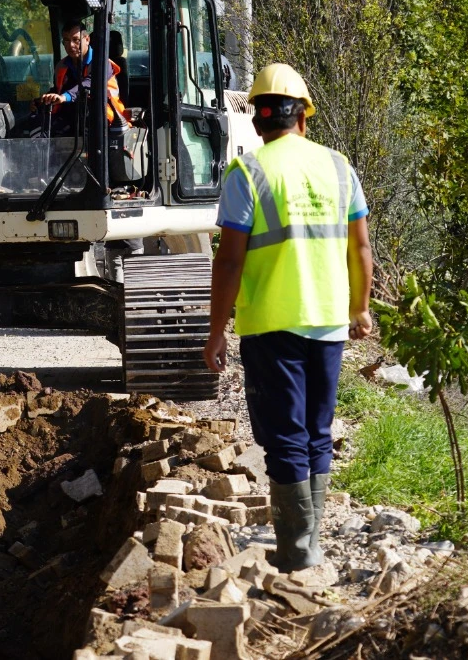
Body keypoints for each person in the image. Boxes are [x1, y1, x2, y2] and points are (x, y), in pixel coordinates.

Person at [201, 63, 375, 573]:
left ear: (258, 120)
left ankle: (298, 554)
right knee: (317, 432)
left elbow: (229, 261)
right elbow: (361, 248)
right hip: (328, 321)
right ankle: (308, 546)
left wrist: (216, 331)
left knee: (284, 438)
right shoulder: (339, 167)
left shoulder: (248, 172)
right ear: (304, 117)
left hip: (272, 325)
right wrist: (359, 308)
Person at [40, 21, 131, 130]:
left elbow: (89, 84)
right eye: (66, 40)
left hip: (105, 120)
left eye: (76, 40)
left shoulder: (102, 63)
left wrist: (64, 97)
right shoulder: (62, 65)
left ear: (87, 39)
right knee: (36, 128)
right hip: (72, 117)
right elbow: (59, 90)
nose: (71, 45)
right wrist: (44, 100)